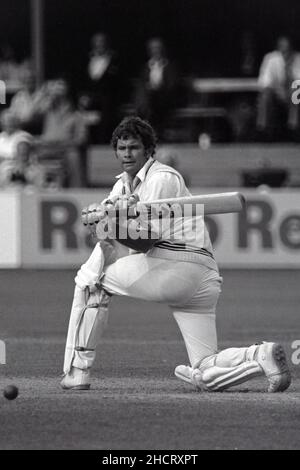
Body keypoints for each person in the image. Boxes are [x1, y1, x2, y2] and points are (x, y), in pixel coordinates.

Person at [61, 116, 291, 393]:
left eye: (133, 147)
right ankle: (258, 357)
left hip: (175, 265)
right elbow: (105, 240)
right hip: (201, 279)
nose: (127, 154)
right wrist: (96, 225)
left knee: (89, 282)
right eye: (121, 149)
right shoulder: (121, 186)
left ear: (148, 149)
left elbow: (145, 241)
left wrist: (107, 224)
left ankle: (77, 371)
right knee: (206, 367)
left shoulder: (163, 178)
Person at [134, 38, 179, 139]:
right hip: (148, 99)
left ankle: (156, 133)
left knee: (154, 100)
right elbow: (142, 83)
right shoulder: (146, 67)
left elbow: (172, 85)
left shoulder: (169, 66)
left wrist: (158, 88)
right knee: (145, 99)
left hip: (165, 97)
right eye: (153, 48)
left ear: (163, 49)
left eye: (158, 48)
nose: (156, 51)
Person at [257, 36, 300, 140]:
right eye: (282, 47)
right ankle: (262, 129)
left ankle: (293, 127)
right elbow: (264, 81)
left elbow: (299, 79)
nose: (285, 51)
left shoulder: (298, 58)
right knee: (265, 95)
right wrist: (278, 89)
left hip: (293, 91)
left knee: (296, 93)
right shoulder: (271, 58)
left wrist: (290, 90)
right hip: (276, 92)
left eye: (287, 48)